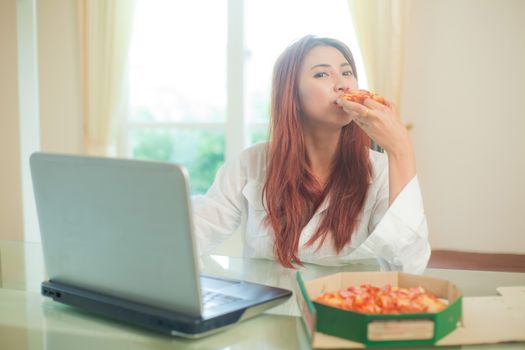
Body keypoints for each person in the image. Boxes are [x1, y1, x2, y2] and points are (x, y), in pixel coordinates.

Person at [192, 35, 430, 274]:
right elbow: (195, 232)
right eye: (322, 74)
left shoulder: (381, 169)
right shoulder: (250, 163)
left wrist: (401, 151)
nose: (343, 85)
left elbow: (408, 268)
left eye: (347, 73)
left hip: (347, 307)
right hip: (268, 306)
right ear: (292, 96)